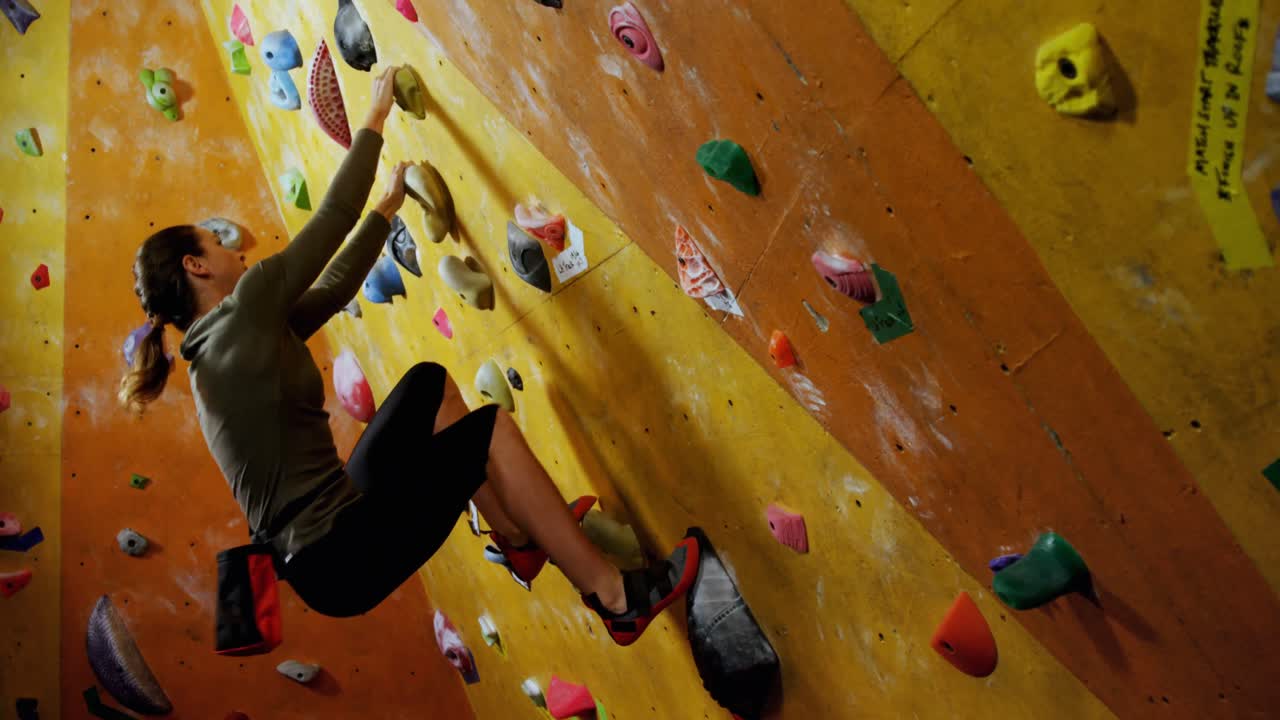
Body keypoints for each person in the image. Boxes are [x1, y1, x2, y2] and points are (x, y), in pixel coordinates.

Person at [117, 66, 697, 645]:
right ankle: (617, 598)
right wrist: (375, 114)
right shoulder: (242, 313)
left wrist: (385, 213)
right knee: (489, 430)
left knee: (428, 385)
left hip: (328, 539)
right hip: (338, 554)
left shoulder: (223, 347)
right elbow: (331, 218)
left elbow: (333, 291)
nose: (234, 251)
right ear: (196, 266)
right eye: (217, 243)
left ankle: (517, 538)